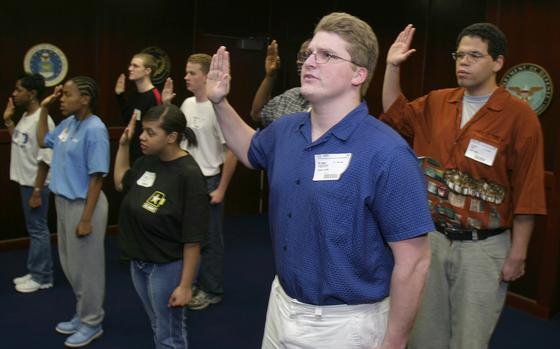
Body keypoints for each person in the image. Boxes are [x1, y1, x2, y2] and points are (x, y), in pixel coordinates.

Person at [206, 12, 434, 348]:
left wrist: (395, 342)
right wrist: (219, 103)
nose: (310, 62)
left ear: (359, 74)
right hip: (281, 304)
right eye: (310, 53)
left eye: (327, 55)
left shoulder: (387, 153)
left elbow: (414, 261)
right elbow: (250, 150)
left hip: (345, 324)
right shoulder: (287, 129)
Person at [380, 23, 547, 348]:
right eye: (459, 55)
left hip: (483, 248)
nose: (463, 62)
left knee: (470, 339)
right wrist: (392, 66)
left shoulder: (520, 117)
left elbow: (529, 190)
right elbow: (395, 115)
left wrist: (518, 254)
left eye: (474, 55)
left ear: (497, 62)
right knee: (424, 335)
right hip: (433, 237)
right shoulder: (438, 102)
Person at [114, 104, 209, 349]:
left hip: (167, 267)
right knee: (158, 323)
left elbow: (193, 238)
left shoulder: (189, 175)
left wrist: (186, 285)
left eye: (150, 132)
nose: (142, 137)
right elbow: (120, 183)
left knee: (170, 334)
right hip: (139, 262)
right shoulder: (148, 161)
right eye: (142, 131)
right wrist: (123, 145)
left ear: (171, 137)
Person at [37, 76, 109, 348]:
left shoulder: (95, 129)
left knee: (87, 269)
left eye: (67, 94)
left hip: (84, 205)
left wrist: (87, 219)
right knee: (70, 266)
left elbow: (97, 177)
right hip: (64, 202)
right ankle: (82, 314)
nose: (62, 99)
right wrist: (45, 108)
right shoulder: (69, 124)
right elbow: (43, 141)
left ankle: (93, 322)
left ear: (86, 98)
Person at [161, 53, 237, 310]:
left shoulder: (218, 107)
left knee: (210, 240)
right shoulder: (186, 104)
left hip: (209, 181)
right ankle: (191, 283)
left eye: (191, 73)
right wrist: (166, 106)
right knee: (189, 238)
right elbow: (180, 143)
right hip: (188, 180)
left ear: (206, 76)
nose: (186, 77)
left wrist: (221, 189)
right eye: (186, 72)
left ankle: (212, 289)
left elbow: (232, 150)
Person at [4, 73, 55, 293]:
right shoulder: (26, 116)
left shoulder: (43, 120)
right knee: (34, 229)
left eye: (18, 90)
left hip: (37, 185)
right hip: (26, 182)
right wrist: (8, 121)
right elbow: (20, 141)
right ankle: (36, 270)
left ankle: (43, 277)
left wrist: (36, 190)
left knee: (38, 230)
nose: (14, 94)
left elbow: (46, 160)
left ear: (32, 93)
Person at [250, 39, 311, 126]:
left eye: (306, 56)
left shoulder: (331, 103)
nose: (299, 62)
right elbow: (257, 114)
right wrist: (270, 76)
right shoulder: (291, 96)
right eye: (301, 56)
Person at [115, 52, 162, 162]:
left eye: (135, 66)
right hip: (132, 153)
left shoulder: (154, 96)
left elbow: (157, 129)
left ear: (147, 71)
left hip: (147, 157)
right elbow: (128, 120)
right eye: (130, 65)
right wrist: (119, 95)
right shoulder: (134, 94)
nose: (130, 68)